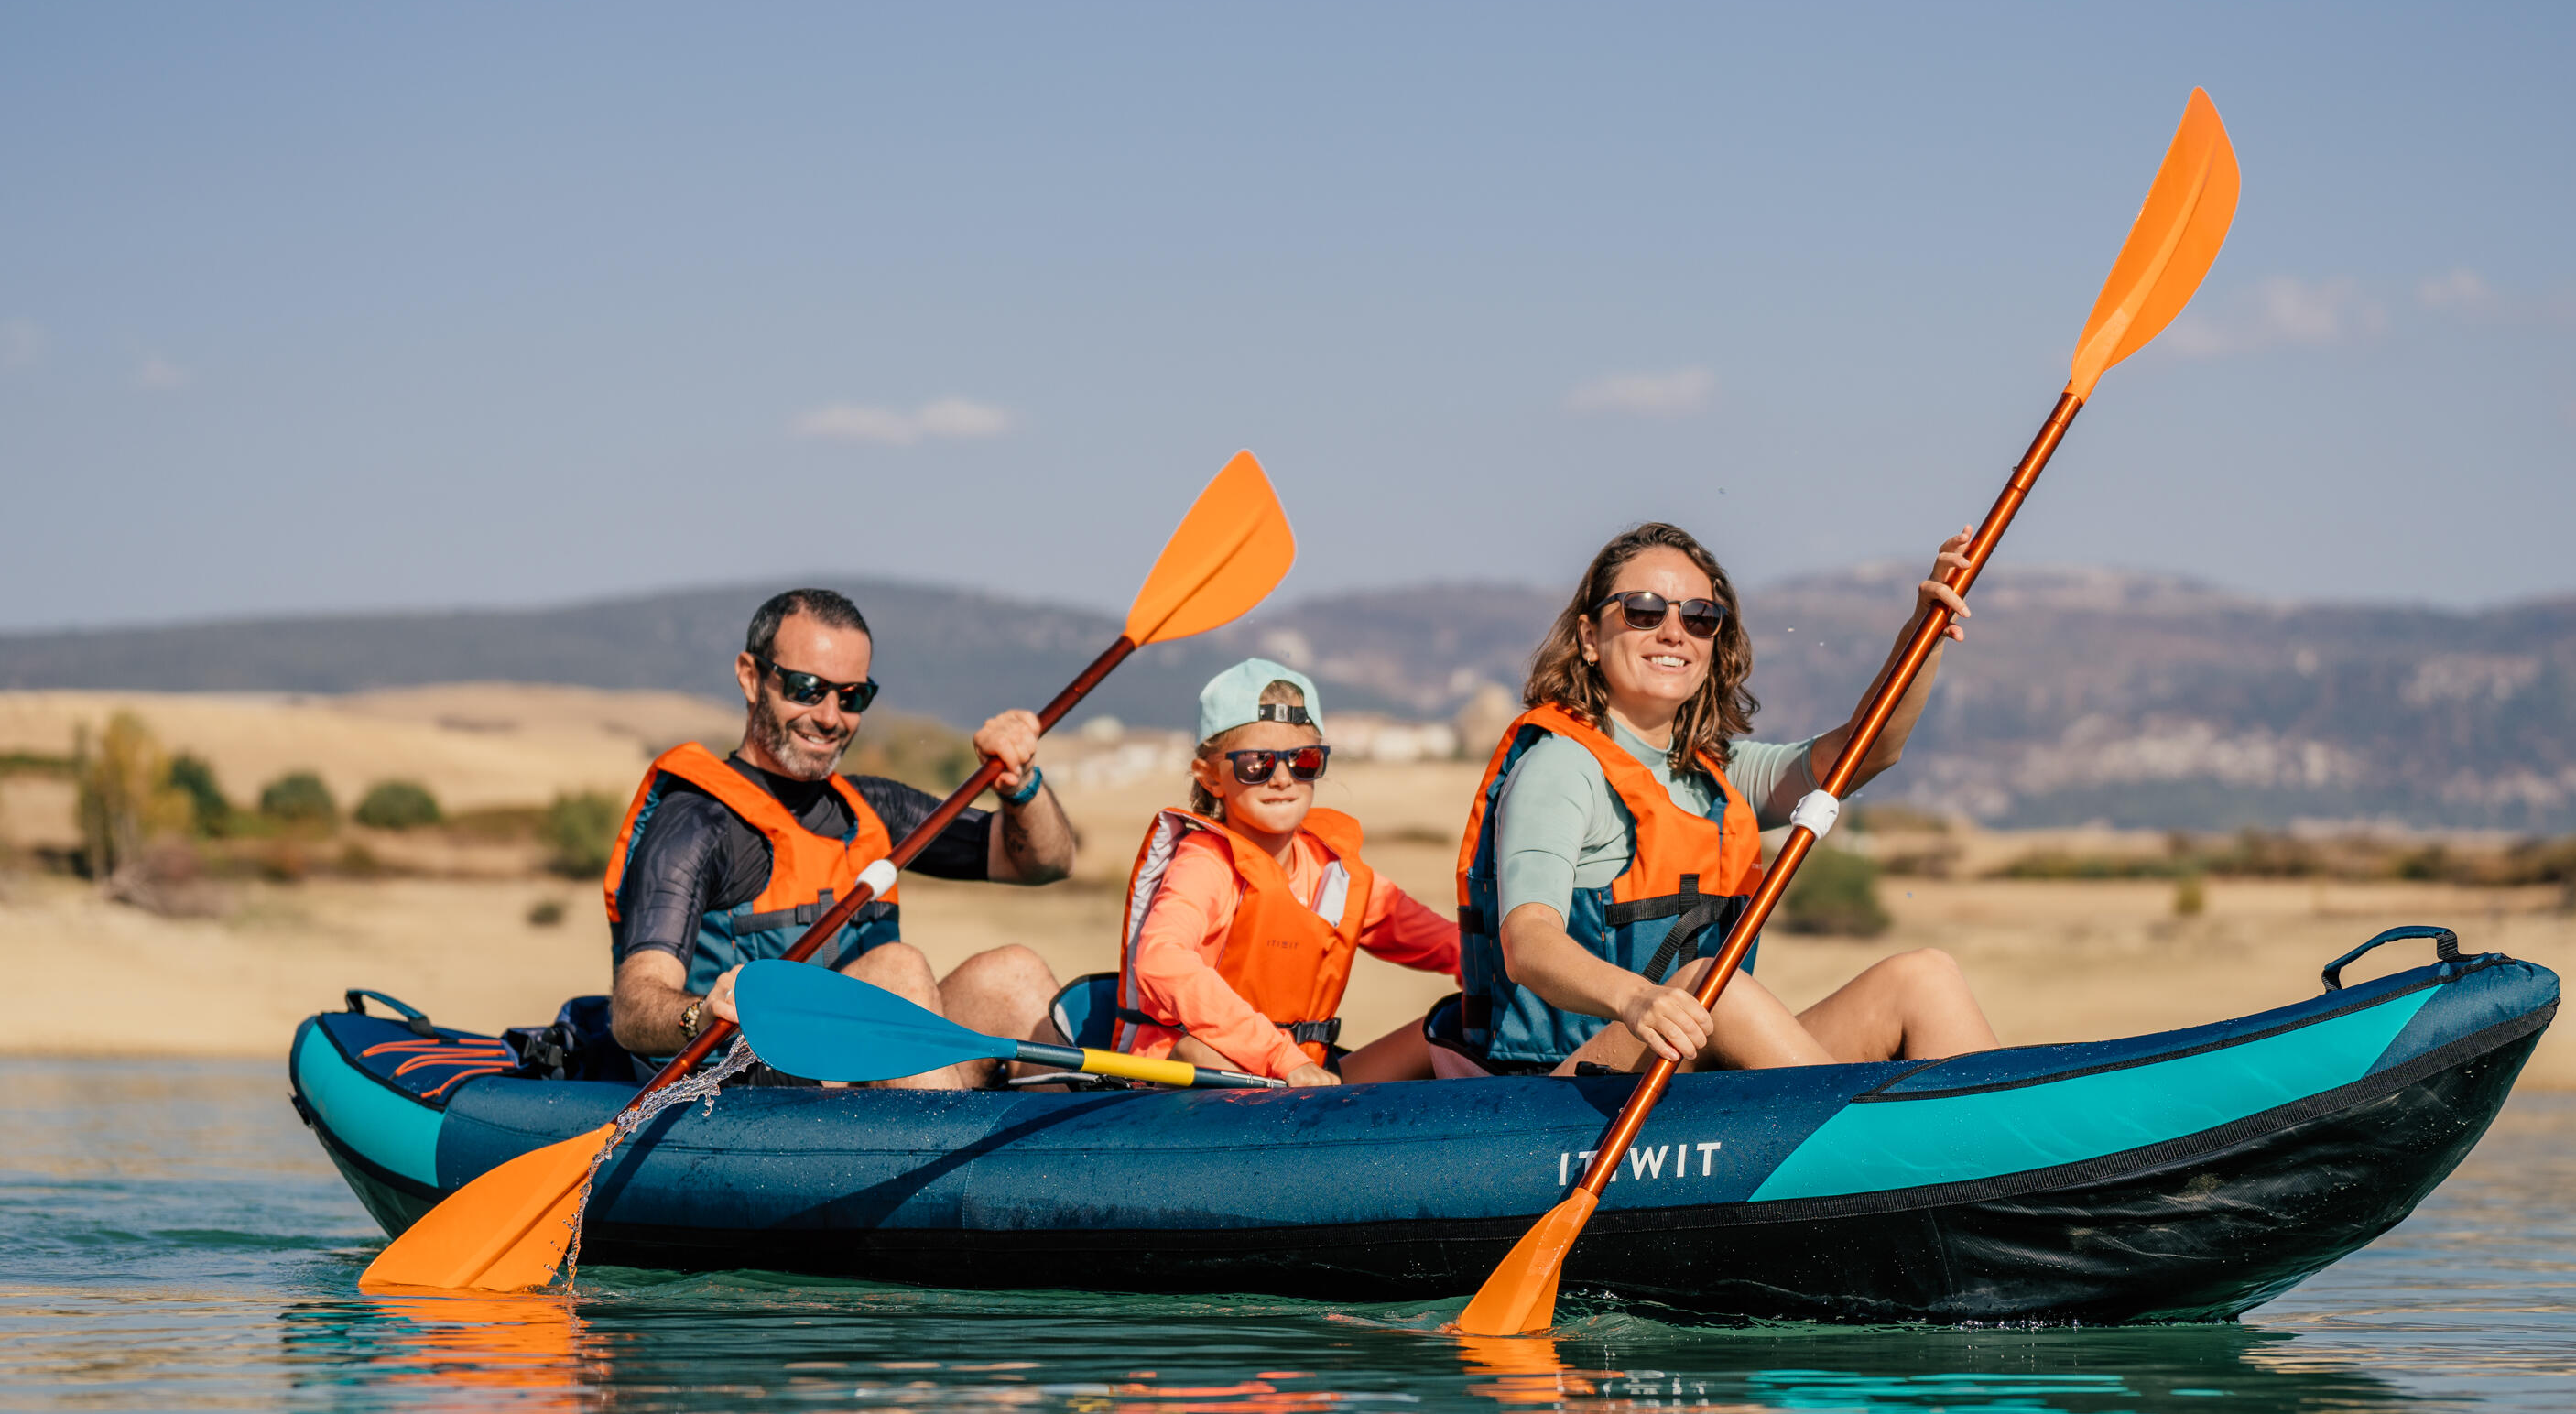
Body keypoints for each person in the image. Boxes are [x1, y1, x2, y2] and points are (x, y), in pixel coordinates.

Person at [1454, 521, 2001, 1077]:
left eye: (1698, 617)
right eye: (1643, 611)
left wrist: (1926, 627)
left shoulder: (1716, 774)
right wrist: (1637, 1000)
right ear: (1590, 637)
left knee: (1924, 978)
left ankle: (2007, 1158)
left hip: (1687, 1077)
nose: (1674, 632)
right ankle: (1865, 1151)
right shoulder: (1560, 766)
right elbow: (1529, 942)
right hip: (1556, 1098)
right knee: (1712, 988)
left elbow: (1869, 749)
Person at [603, 587, 1077, 1089]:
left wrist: (1021, 782)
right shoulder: (693, 823)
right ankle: (944, 1157)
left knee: (1012, 976)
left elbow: (1042, 861)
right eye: (807, 688)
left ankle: (1063, 1164)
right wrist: (701, 1014)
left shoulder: (874, 807)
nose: (830, 717)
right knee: (897, 969)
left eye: (851, 697)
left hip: (863, 1081)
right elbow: (634, 1006)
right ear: (751, 676)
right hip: (745, 1089)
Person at [1108, 658, 1461, 1086]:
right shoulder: (1205, 864)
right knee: (1202, 1052)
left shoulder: (1337, 874)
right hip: (1189, 1088)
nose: (1282, 778)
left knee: (1455, 1026)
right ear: (1210, 777)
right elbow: (1160, 960)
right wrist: (1281, 1058)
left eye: (1303, 760)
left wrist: (1505, 970)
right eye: (1256, 763)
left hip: (1301, 1082)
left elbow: (1451, 945)